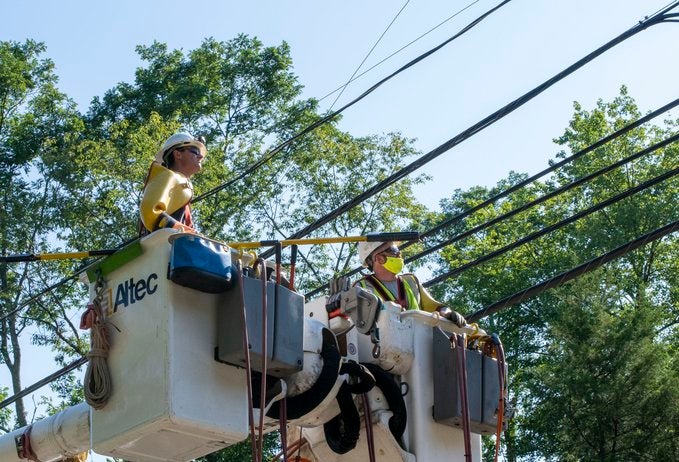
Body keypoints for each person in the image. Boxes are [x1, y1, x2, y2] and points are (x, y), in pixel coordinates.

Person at [356, 240, 467, 327]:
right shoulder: (360, 288)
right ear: (379, 259)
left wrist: (447, 313)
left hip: (418, 346)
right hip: (384, 349)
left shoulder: (411, 281)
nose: (399, 253)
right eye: (393, 250)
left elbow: (434, 307)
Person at [139, 132, 207, 235]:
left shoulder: (180, 185)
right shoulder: (167, 177)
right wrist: (181, 229)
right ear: (177, 154)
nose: (201, 156)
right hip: (166, 247)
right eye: (195, 151)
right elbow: (150, 212)